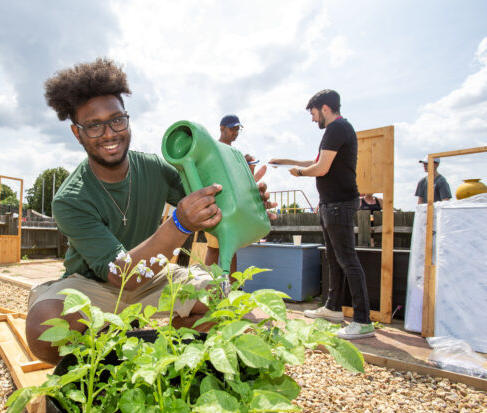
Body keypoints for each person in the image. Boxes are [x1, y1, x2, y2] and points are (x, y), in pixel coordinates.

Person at [25, 58, 274, 364]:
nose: (109, 133)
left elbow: (212, 207)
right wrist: (179, 224)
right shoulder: (70, 199)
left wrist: (247, 199)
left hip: (156, 277)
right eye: (93, 125)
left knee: (242, 315)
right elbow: (122, 275)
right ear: (77, 133)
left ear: (127, 120)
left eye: (117, 119)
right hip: (95, 284)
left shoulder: (153, 168)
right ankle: (110, 341)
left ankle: (172, 339)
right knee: (44, 326)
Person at [268, 89, 374, 340]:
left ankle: (363, 320)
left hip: (339, 204)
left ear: (324, 108)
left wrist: (300, 174)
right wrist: (286, 161)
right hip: (330, 204)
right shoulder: (337, 130)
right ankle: (333, 308)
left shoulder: (337, 129)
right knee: (334, 259)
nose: (313, 119)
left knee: (347, 259)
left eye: (313, 113)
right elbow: (316, 161)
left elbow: (321, 168)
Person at [204, 115, 266, 275]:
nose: (235, 132)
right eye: (232, 129)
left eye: (238, 129)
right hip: (217, 204)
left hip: (234, 206)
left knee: (231, 250)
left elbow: (241, 182)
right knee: (214, 249)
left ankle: (231, 291)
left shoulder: (236, 154)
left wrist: (248, 167)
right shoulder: (214, 148)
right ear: (221, 128)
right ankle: (205, 288)